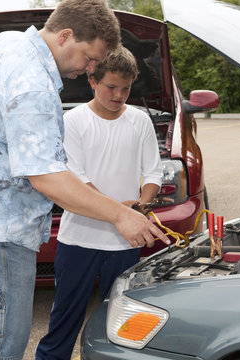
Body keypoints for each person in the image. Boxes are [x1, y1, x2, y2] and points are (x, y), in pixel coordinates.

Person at [0, 1, 169, 359]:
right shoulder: (34, 87)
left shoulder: (3, 42)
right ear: (66, 35)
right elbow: (48, 178)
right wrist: (120, 215)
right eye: (90, 58)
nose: (90, 69)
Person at [35, 45, 163, 360]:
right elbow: (77, 182)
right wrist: (121, 212)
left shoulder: (140, 121)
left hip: (125, 242)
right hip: (79, 239)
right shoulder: (73, 121)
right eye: (111, 87)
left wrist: (142, 205)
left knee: (120, 323)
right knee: (65, 318)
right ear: (93, 81)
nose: (118, 95)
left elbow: (153, 173)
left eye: (126, 88)